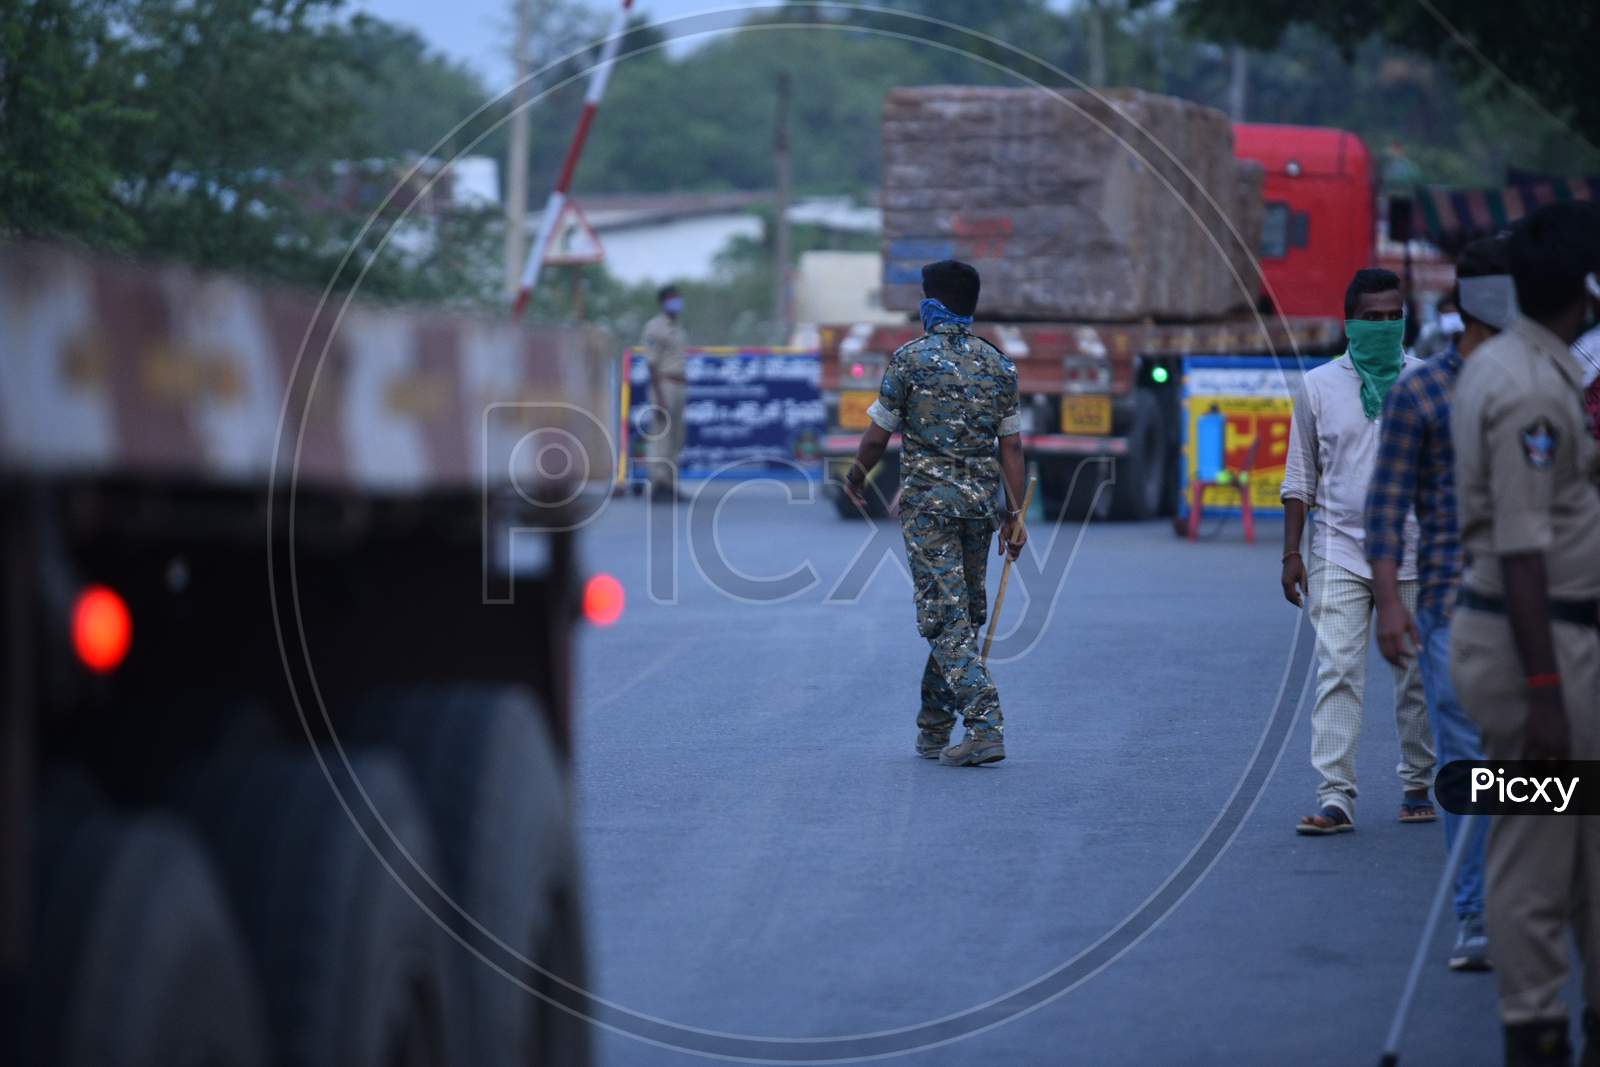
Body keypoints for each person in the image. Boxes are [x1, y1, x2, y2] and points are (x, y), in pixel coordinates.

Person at [1449, 201, 1600, 1067]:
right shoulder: (1534, 390)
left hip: (1549, 644)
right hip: (1535, 651)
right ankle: (1533, 1026)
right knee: (1538, 850)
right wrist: (1545, 694)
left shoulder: (1519, 364)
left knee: (1579, 840)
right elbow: (1521, 546)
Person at [1364, 235, 1513, 972]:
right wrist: (1390, 603)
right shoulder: (1420, 392)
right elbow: (1386, 509)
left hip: (1543, 607)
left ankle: (1518, 894)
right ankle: (1476, 911)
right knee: (1468, 759)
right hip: (1455, 609)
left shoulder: (1544, 385)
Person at [843, 260, 1026, 767]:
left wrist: (856, 477)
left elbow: (878, 436)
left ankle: (986, 725)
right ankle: (934, 729)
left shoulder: (909, 360)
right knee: (960, 617)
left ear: (933, 302)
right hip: (978, 510)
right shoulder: (999, 366)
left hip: (927, 509)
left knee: (945, 621)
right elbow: (1012, 449)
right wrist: (1015, 515)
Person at [1281, 267, 1434, 835]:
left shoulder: (1426, 382)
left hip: (1416, 553)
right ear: (1350, 324)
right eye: (1372, 319)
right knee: (1338, 670)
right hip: (1338, 550)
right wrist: (1290, 553)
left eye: (1394, 317)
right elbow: (1301, 476)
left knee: (1416, 675)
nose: (1384, 326)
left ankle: (1418, 781)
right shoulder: (1319, 385)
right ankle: (1336, 795)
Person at [640, 285, 689, 501]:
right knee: (662, 436)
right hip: (664, 384)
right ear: (663, 302)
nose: (676, 302)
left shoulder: (679, 329)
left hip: (679, 385)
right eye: (672, 299)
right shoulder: (655, 327)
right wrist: (659, 396)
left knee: (677, 438)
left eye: (678, 298)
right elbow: (651, 363)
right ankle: (658, 484)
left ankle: (670, 484)